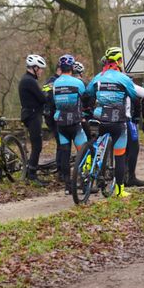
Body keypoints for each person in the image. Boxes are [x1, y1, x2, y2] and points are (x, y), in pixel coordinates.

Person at [84, 47, 144, 198]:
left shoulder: (98, 76)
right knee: (119, 155)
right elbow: (134, 96)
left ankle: (88, 166)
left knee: (96, 143)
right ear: (119, 62)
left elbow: (88, 93)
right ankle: (119, 190)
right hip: (117, 120)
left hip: (99, 116)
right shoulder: (124, 79)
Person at [52, 54, 87, 188]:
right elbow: (85, 97)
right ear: (72, 68)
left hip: (61, 123)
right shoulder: (77, 82)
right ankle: (84, 182)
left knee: (65, 154)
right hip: (75, 122)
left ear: (60, 68)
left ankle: (68, 186)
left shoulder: (55, 83)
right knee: (83, 151)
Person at [18, 54, 49, 186]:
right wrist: (48, 93)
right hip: (32, 115)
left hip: (30, 114)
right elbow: (42, 98)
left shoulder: (27, 79)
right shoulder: (29, 81)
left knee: (37, 144)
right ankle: (32, 174)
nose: (41, 71)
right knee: (37, 145)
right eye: (40, 69)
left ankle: (31, 172)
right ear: (35, 67)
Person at [41, 64, 62, 178]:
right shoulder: (56, 82)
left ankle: (61, 169)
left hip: (49, 116)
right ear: (59, 70)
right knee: (61, 143)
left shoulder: (50, 81)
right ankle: (61, 170)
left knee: (60, 143)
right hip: (54, 116)